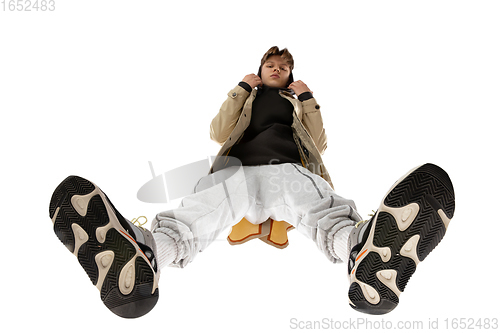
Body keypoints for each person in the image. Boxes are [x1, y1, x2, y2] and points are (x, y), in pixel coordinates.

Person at [48, 46, 455, 318]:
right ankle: (144, 257)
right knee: (194, 219)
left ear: (292, 75)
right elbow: (217, 129)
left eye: (285, 68)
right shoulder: (248, 97)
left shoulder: (296, 102)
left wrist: (308, 98)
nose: (278, 70)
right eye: (271, 66)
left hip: (288, 174)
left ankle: (364, 250)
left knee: (322, 212)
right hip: (235, 173)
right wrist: (242, 89)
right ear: (260, 70)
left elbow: (321, 143)